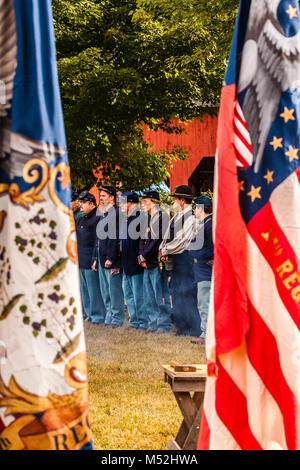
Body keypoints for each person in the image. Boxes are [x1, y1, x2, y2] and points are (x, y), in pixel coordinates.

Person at [159, 185, 201, 337]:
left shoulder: (191, 218)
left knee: (187, 293)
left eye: (175, 199)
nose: (173, 202)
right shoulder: (176, 217)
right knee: (176, 292)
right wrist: (163, 249)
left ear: (183, 200)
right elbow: (167, 237)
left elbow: (182, 241)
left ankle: (193, 327)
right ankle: (181, 326)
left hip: (185, 259)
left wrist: (164, 250)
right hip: (175, 259)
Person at [138, 190, 172, 334]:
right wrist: (140, 255)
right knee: (148, 295)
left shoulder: (162, 217)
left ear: (155, 202)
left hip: (156, 261)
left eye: (146, 201)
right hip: (147, 262)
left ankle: (163, 325)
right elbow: (142, 239)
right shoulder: (146, 218)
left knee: (160, 295)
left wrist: (144, 256)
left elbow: (156, 240)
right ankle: (152, 323)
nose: (143, 204)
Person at [92, 185, 124, 328]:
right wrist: (95, 258)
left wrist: (111, 257)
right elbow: (99, 237)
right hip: (101, 256)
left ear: (112, 197)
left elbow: (114, 238)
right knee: (105, 290)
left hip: (111, 258)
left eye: (104, 195)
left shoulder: (116, 214)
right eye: (101, 196)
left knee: (114, 290)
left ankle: (116, 318)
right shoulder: (104, 214)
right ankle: (109, 316)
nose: (101, 198)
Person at [119, 192, 148, 331]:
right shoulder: (125, 220)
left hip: (137, 263)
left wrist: (141, 257)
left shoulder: (141, 219)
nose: (121, 205)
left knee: (139, 295)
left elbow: (144, 241)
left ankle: (143, 322)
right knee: (129, 295)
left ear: (132, 203)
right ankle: (134, 321)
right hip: (126, 262)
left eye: (124, 202)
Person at [76, 191, 106, 324]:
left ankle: (98, 316)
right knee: (85, 290)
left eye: (83, 203)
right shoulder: (83, 218)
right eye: (80, 203)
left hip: (91, 259)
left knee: (94, 290)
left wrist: (94, 259)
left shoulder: (98, 218)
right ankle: (88, 315)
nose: (80, 206)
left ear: (91, 203)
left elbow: (97, 241)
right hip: (81, 258)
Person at [189, 196, 214, 345]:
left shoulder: (209, 225)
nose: (194, 210)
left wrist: (198, 255)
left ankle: (206, 334)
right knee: (204, 302)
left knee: (204, 302)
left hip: (205, 269)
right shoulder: (205, 224)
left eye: (196, 207)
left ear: (201, 208)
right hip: (202, 269)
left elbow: (210, 248)